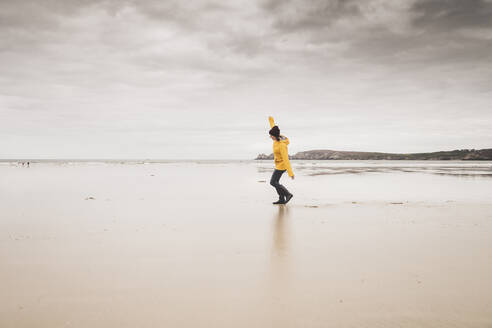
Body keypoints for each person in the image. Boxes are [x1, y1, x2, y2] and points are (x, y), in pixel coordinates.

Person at [268, 116, 294, 204]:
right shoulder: (277, 137)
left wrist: (290, 173)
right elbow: (273, 128)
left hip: (282, 165)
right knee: (276, 182)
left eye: (271, 136)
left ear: (274, 136)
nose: (270, 137)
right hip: (278, 164)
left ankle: (288, 194)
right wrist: (271, 120)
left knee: (273, 182)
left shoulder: (282, 145)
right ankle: (281, 199)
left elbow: (286, 159)